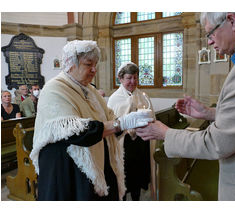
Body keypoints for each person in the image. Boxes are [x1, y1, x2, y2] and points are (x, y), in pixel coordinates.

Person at [136, 12, 235, 201]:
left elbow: (217, 143)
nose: (209, 42)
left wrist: (165, 133)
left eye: (210, 33)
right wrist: (210, 113)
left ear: (232, 21)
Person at [29, 40, 153, 201]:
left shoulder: (90, 89)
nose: (94, 70)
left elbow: (109, 116)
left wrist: (129, 120)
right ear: (70, 64)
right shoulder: (54, 88)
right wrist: (122, 123)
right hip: (68, 169)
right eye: (88, 64)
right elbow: (77, 131)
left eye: (95, 64)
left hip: (98, 159)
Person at [107, 62, 154, 201]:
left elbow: (151, 117)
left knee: (138, 178)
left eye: (135, 78)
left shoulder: (143, 96)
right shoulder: (114, 99)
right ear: (121, 79)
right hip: (123, 144)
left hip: (140, 143)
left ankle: (137, 199)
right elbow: (111, 124)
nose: (133, 81)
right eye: (129, 78)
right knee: (124, 178)